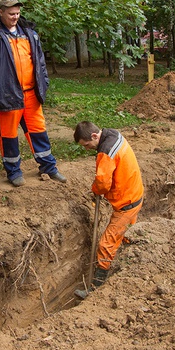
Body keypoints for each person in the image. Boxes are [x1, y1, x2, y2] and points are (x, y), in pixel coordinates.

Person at [0, 0, 66, 187]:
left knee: (38, 131)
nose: (15, 17)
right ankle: (13, 172)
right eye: (11, 14)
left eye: (17, 13)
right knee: (9, 135)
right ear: (1, 12)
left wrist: (43, 84)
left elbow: (39, 62)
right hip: (6, 95)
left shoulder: (29, 33)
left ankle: (48, 167)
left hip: (31, 94)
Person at [72, 121, 144, 299]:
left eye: (87, 145)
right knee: (125, 235)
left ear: (95, 136)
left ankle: (96, 288)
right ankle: (128, 264)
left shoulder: (106, 151)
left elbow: (103, 184)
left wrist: (95, 189)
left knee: (106, 244)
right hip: (134, 194)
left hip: (126, 203)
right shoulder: (113, 134)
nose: (87, 149)